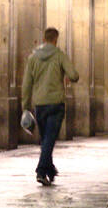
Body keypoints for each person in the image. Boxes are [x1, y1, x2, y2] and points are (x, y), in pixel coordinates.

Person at [21, 27, 79, 186]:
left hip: (39, 105)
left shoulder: (33, 58)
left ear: (44, 39)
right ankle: (41, 171)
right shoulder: (59, 55)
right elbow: (74, 75)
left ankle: (50, 169)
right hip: (55, 104)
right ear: (55, 39)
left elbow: (26, 84)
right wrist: (65, 75)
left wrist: (25, 106)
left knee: (46, 138)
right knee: (49, 139)